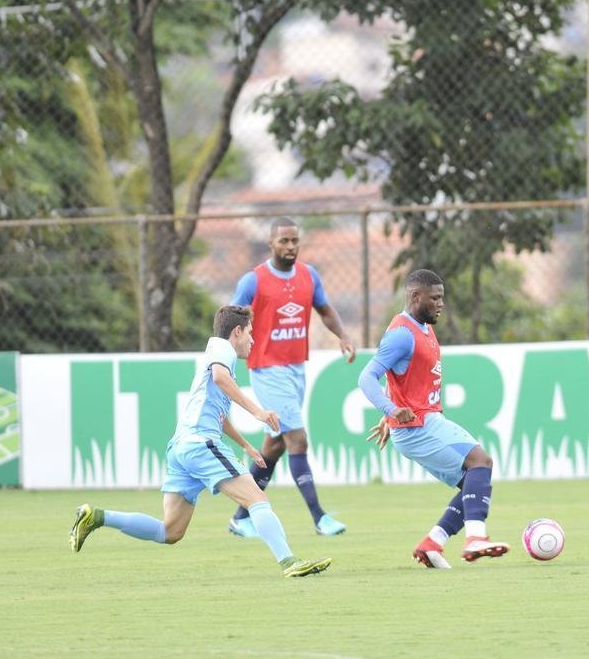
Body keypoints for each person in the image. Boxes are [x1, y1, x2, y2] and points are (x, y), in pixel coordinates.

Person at [69, 305, 331, 579]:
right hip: (199, 444)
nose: (253, 340)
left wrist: (245, 445)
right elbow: (220, 378)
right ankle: (289, 562)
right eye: (250, 333)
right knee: (257, 499)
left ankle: (97, 517)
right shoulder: (222, 349)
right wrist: (258, 411)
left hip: (181, 448)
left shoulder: (218, 357)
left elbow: (219, 414)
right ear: (237, 332)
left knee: (169, 532)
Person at [357, 268, 508, 569]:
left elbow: (401, 376)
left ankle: (432, 543)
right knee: (481, 462)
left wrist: (391, 416)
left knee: (474, 483)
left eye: (442, 298)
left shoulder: (423, 327)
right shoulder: (401, 334)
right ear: (415, 297)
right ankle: (475, 539)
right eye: (435, 298)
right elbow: (367, 377)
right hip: (418, 426)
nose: (440, 304)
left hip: (420, 422)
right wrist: (390, 411)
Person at [226, 217, 356, 540]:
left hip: (297, 368)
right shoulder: (253, 281)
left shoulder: (308, 275)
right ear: (271, 244)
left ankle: (241, 517)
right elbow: (231, 321)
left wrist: (342, 335)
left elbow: (324, 309)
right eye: (283, 241)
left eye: (295, 241)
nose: (290, 246)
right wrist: (227, 357)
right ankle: (319, 517)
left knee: (275, 445)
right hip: (267, 369)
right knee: (298, 439)